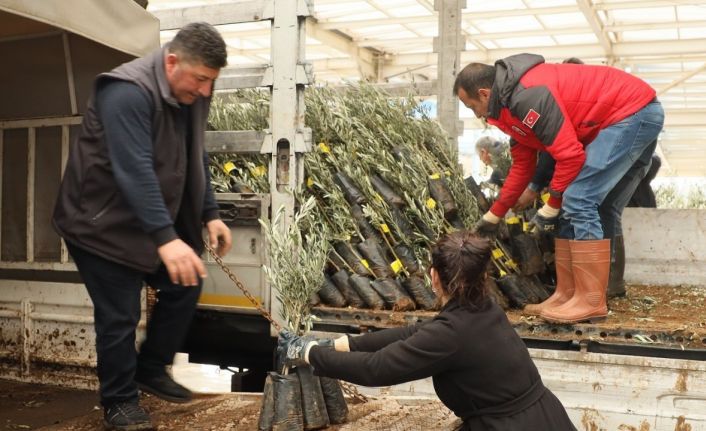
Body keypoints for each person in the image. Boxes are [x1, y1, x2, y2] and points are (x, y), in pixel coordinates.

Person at [52, 22, 232, 431]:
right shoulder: (126, 91)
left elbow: (193, 153)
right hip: (99, 223)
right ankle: (118, 401)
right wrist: (166, 239)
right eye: (201, 79)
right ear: (172, 62)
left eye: (211, 82)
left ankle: (149, 367)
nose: (206, 91)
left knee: (185, 282)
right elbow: (134, 171)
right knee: (119, 315)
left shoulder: (192, 91)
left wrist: (210, 212)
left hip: (144, 220)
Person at [279, 231, 577, 431]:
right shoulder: (482, 308)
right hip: (545, 417)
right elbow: (411, 335)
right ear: (482, 277)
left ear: (434, 277)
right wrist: (343, 344)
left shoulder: (454, 333)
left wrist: (309, 353)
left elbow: (376, 369)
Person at [454, 54, 664, 324]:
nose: (477, 114)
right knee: (601, 206)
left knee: (579, 199)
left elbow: (570, 155)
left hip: (630, 113)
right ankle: (568, 293)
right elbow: (522, 165)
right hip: (633, 112)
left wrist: (552, 203)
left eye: (471, 106)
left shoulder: (526, 96)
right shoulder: (510, 108)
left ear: (484, 94)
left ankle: (591, 301)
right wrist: (495, 214)